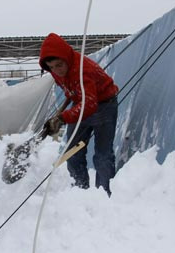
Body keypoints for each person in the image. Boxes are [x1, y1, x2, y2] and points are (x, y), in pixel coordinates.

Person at [39, 33, 119, 197]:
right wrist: (59, 115)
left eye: (59, 65)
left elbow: (90, 104)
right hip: (81, 103)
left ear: (66, 58)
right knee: (72, 153)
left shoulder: (83, 70)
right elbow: (72, 89)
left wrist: (62, 118)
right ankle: (80, 194)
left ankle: (104, 197)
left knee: (102, 156)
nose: (56, 71)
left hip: (104, 105)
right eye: (51, 67)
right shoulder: (57, 71)